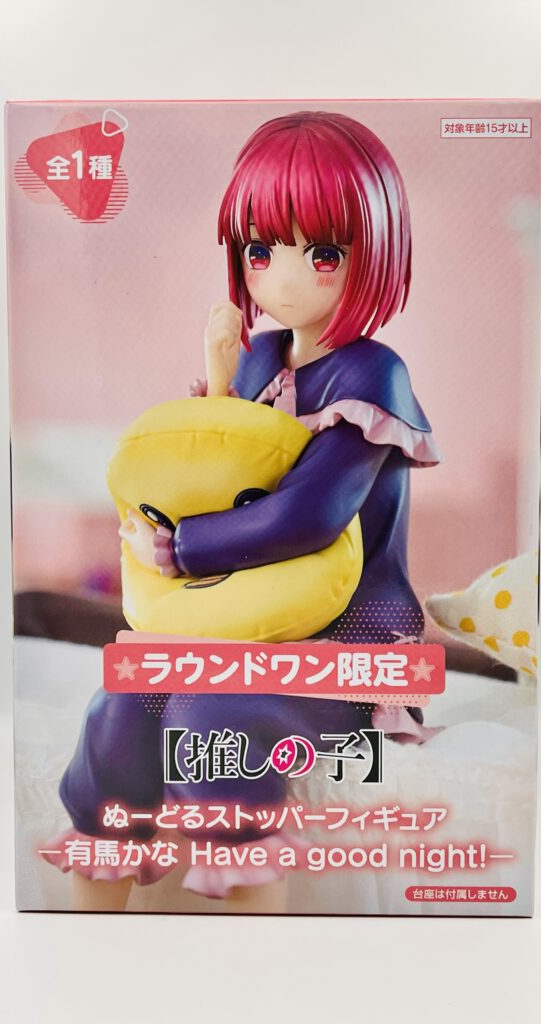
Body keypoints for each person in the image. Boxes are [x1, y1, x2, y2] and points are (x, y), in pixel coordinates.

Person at [43, 110, 440, 913]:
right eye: (261, 251)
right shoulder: (260, 358)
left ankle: (255, 952)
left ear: (375, 251)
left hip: (343, 639)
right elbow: (218, 468)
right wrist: (221, 378)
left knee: (208, 716)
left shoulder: (373, 375)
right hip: (238, 625)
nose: (282, 281)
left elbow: (309, 514)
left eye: (321, 253)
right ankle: (85, 941)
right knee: (120, 708)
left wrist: (180, 548)